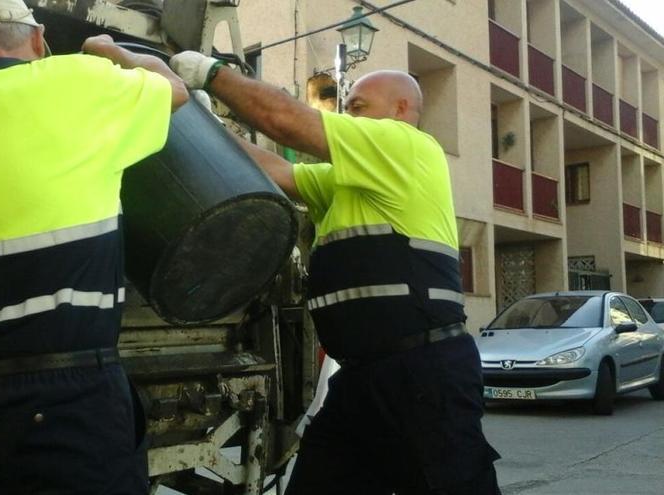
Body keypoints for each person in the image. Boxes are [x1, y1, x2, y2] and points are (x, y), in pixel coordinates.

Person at [169, 53, 501, 494]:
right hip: (362, 377)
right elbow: (276, 169)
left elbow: (287, 122)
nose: (348, 114)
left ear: (401, 109)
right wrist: (202, 124)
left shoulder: (407, 145)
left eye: (359, 106)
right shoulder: (345, 181)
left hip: (422, 375)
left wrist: (210, 75)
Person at [0, 0, 188, 492]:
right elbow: (175, 90)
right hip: (65, 395)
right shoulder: (75, 80)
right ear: (38, 41)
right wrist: (109, 49)